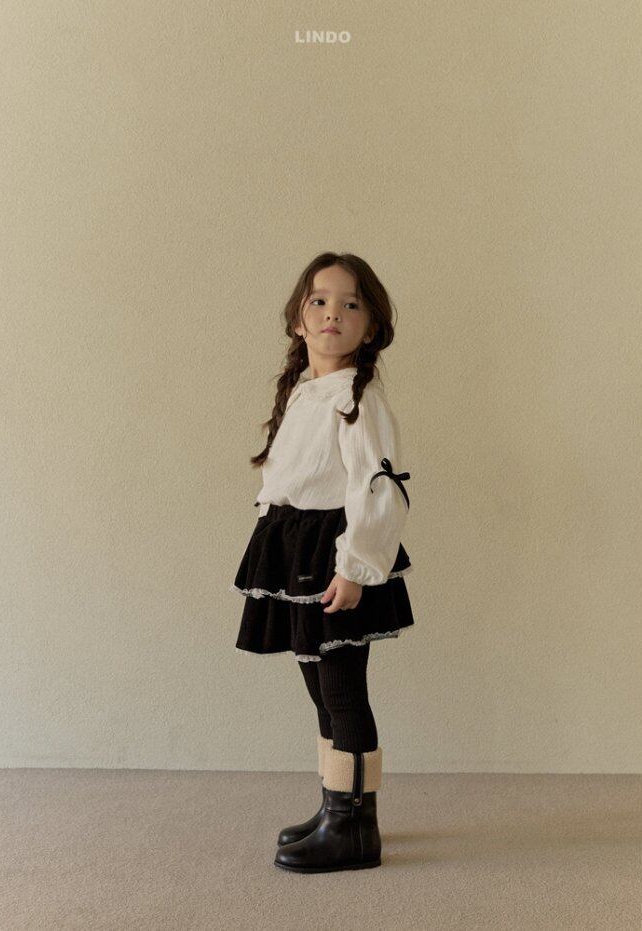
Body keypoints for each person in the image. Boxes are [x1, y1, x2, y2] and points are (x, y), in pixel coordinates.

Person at [229, 251, 415, 873]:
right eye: (319, 300)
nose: (333, 312)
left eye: (350, 303)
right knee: (318, 686)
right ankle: (337, 803)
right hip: (295, 547)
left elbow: (378, 488)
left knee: (341, 688)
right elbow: (290, 472)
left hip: (335, 552)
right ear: (298, 320)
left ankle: (356, 828)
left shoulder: (358, 399)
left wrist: (355, 567)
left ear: (371, 327)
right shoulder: (305, 393)